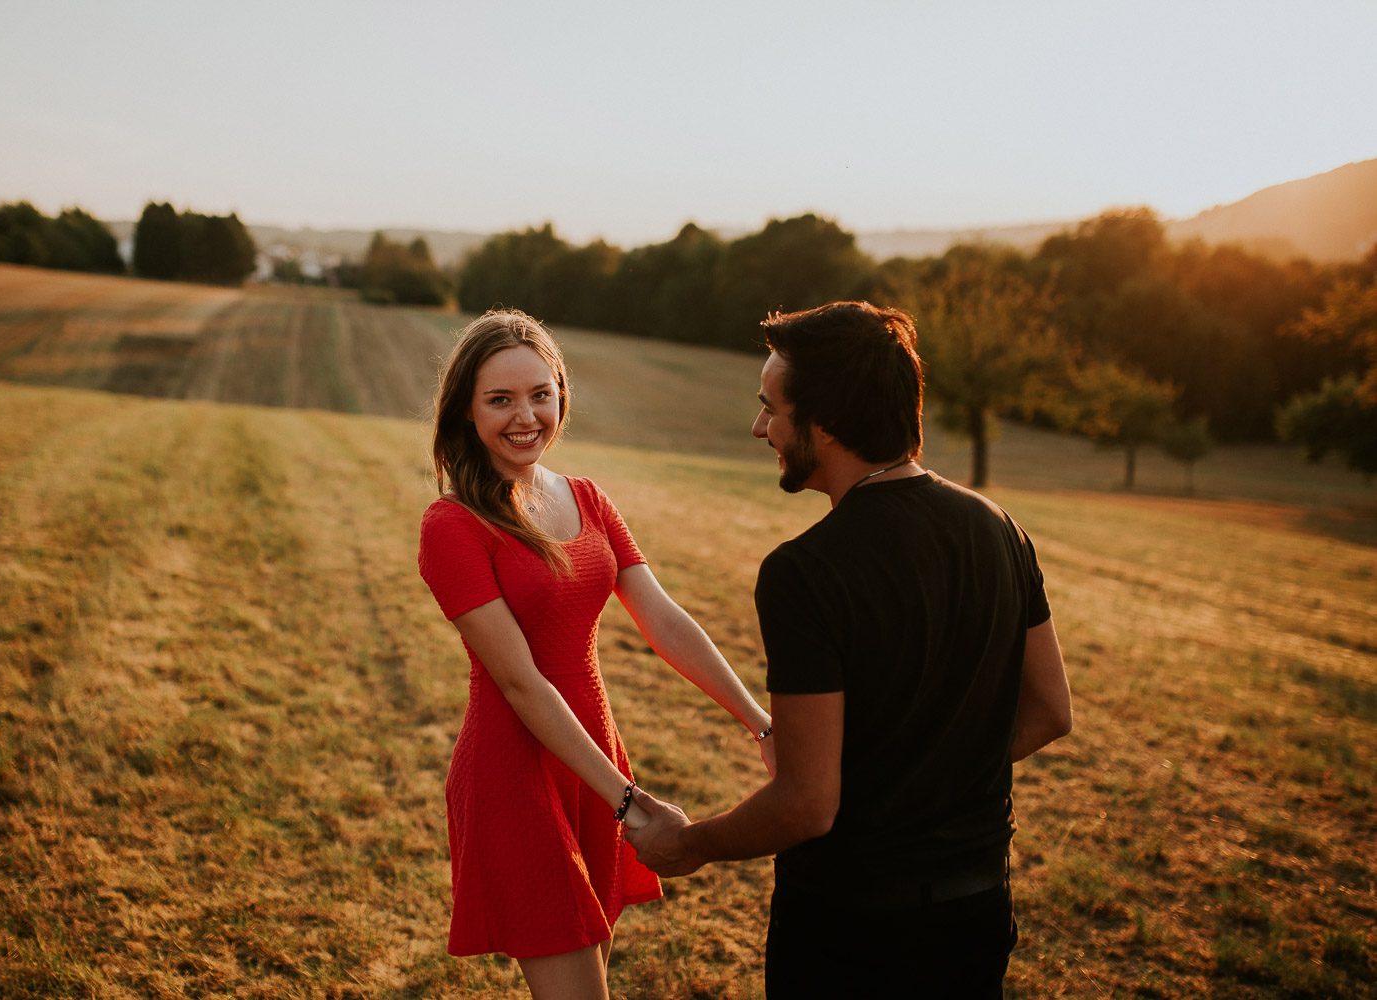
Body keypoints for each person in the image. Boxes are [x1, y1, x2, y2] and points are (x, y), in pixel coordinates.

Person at [626, 301, 1073, 998]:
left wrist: (691, 844)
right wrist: (924, 771)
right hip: (977, 915)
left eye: (772, 409)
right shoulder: (999, 528)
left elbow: (808, 804)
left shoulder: (805, 571)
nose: (759, 427)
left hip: (852, 936)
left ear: (825, 421)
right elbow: (1050, 711)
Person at [416, 309, 775, 1000]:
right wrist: (631, 803)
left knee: (591, 971)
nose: (526, 416)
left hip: (595, 761)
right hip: (516, 772)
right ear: (465, 409)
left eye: (540, 393)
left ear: (561, 392)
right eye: (500, 399)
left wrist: (761, 724)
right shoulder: (452, 525)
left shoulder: (586, 497)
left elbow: (664, 622)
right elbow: (520, 684)